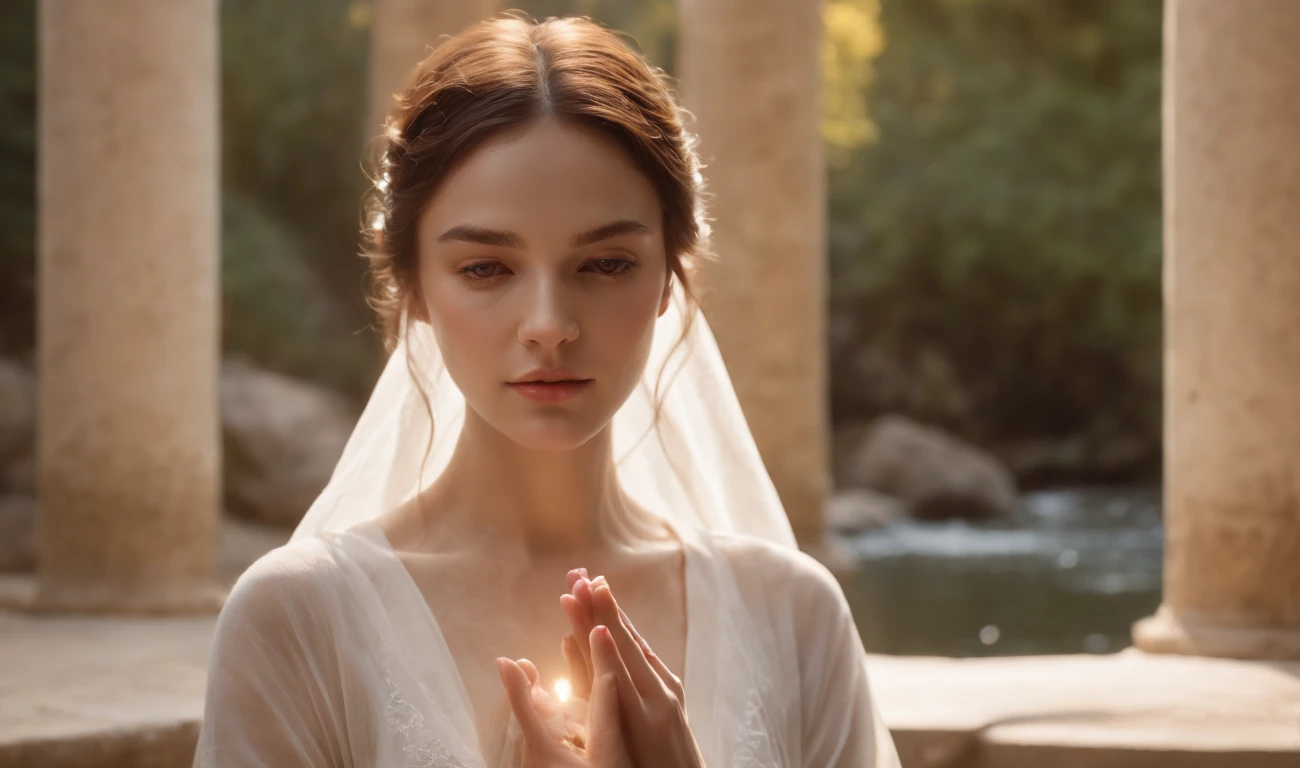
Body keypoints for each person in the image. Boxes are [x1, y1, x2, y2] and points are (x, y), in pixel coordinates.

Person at [194, 13, 901, 768]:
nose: (549, 325)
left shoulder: (793, 614)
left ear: (670, 276)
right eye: (487, 269)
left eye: (604, 265)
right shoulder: (297, 620)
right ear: (414, 288)